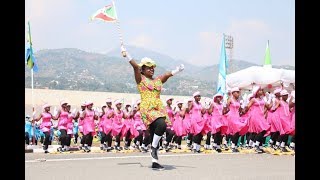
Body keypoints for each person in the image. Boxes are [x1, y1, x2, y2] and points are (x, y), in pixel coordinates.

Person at [121, 45, 184, 170]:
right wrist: (126, 53)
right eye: (148, 68)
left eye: (152, 68)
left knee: (159, 129)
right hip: (147, 108)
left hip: (158, 108)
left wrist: (176, 70)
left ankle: (154, 160)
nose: (151, 69)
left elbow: (166, 75)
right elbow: (135, 66)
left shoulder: (157, 81)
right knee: (161, 125)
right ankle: (154, 148)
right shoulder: (140, 79)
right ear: (142, 70)